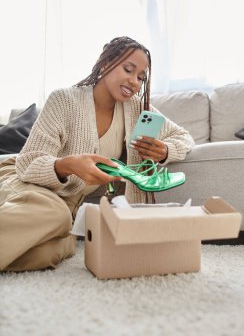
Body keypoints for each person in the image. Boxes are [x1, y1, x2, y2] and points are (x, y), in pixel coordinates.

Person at [0, 36, 194, 272]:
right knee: (56, 216)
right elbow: (28, 162)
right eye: (128, 69)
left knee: (52, 251)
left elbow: (184, 137)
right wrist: (69, 165)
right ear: (106, 63)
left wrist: (165, 150)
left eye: (141, 77)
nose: (134, 81)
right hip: (26, 184)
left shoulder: (136, 109)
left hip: (67, 206)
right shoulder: (64, 99)